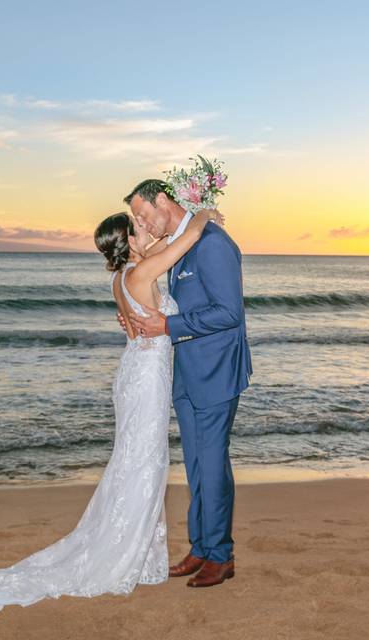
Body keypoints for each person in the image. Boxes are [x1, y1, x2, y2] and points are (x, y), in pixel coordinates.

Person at [0, 207, 221, 610]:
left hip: (135, 373)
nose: (146, 229)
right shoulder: (142, 274)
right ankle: (124, 553)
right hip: (145, 381)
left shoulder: (121, 278)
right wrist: (203, 211)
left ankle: (139, 551)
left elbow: (159, 248)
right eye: (139, 228)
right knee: (143, 462)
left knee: (137, 461)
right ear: (128, 241)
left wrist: (151, 237)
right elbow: (187, 240)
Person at [122, 179, 252, 588]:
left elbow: (229, 312)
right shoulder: (179, 244)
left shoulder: (211, 243)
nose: (142, 223)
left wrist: (168, 325)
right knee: (196, 466)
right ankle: (200, 546)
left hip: (215, 373)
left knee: (212, 465)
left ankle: (220, 555)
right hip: (186, 373)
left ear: (163, 200)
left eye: (143, 214)